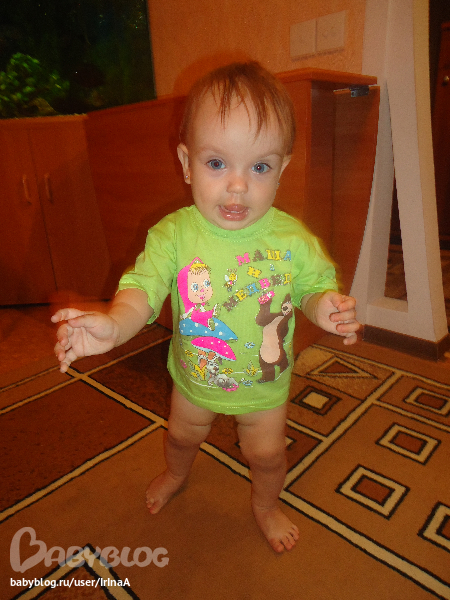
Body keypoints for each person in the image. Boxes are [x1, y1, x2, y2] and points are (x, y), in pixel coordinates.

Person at [52, 62, 360, 553]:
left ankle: (266, 505)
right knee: (181, 437)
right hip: (195, 379)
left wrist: (325, 306)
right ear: (186, 162)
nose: (238, 186)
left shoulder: (292, 240)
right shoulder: (173, 235)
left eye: (259, 167)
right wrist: (114, 324)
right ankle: (176, 474)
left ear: (281, 170)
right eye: (217, 163)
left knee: (266, 455)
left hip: (264, 386)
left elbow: (313, 287)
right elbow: (142, 289)